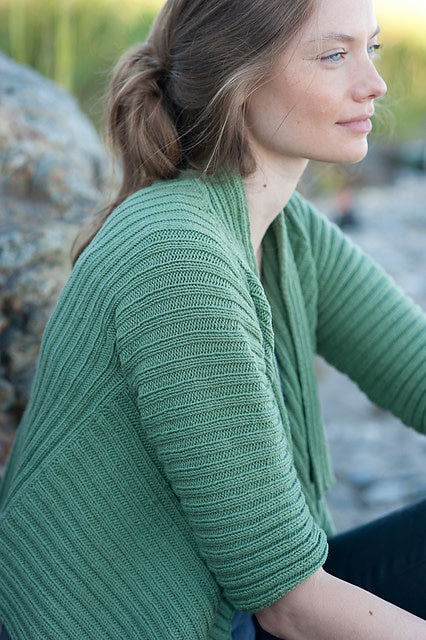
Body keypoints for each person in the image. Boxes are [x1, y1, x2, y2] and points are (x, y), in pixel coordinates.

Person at [0, 0, 425, 638]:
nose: (375, 83)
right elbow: (290, 603)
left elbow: (417, 372)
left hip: (232, 611)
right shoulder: (176, 257)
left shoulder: (283, 228)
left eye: (373, 48)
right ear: (238, 75)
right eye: (335, 55)